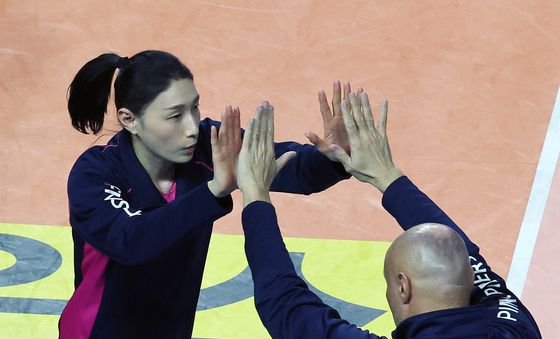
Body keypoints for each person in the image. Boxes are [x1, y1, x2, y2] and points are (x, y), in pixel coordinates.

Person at [59, 50, 353, 338]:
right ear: (129, 120)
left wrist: (335, 156)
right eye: (175, 116)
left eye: (195, 108)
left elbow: (289, 166)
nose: (191, 128)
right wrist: (213, 192)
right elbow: (131, 241)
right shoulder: (95, 174)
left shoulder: (207, 146)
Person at [236, 91, 542, 338]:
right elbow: (457, 252)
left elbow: (286, 306)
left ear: (403, 287)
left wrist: (255, 194)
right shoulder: (514, 325)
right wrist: (387, 177)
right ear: (472, 278)